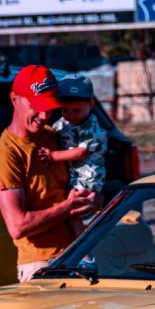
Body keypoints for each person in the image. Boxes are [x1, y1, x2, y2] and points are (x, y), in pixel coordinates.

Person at [0, 64, 100, 282]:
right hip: (42, 267)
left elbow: (83, 179)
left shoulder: (52, 135)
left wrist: (95, 200)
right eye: (36, 106)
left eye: (50, 107)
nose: (44, 115)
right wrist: (68, 207)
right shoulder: (6, 155)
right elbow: (18, 226)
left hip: (76, 258)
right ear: (14, 99)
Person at [37, 73, 107, 239]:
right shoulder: (63, 123)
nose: (70, 115)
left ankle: (82, 248)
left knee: (74, 210)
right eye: (65, 110)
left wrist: (52, 156)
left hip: (87, 176)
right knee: (71, 210)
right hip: (72, 175)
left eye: (76, 110)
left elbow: (81, 152)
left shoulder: (92, 126)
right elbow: (54, 133)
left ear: (91, 105)